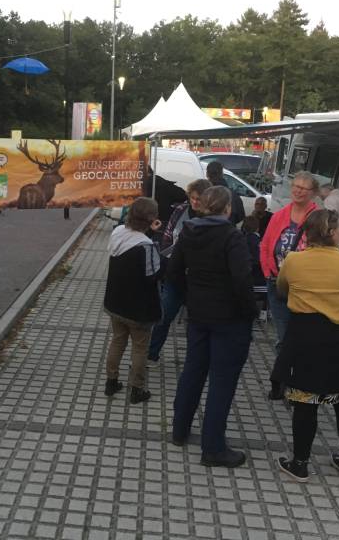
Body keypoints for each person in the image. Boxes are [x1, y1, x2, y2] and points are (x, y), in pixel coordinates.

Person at [271, 210, 339, 482]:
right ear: (333, 233)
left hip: (307, 339)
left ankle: (300, 463)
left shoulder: (293, 260)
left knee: (305, 403)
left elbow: (282, 289)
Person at [170, 186, 258, 467]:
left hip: (198, 315)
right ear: (228, 209)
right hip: (230, 320)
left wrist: (190, 297)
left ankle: (180, 430)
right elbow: (242, 280)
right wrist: (251, 312)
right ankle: (213, 448)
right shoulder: (232, 236)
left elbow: (173, 272)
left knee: (193, 372)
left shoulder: (189, 231)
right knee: (222, 382)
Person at [260, 170, 319, 399]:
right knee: (283, 337)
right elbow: (266, 245)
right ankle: (282, 381)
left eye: (303, 188)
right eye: (295, 186)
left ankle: (299, 384)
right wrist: (268, 271)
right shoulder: (280, 215)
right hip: (278, 283)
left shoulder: (319, 218)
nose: (298, 191)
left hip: (305, 288)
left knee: (303, 338)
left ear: (313, 193)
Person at [103, 197, 162, 404]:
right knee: (139, 348)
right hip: (138, 310)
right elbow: (153, 275)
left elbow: (131, 243)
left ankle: (111, 382)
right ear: (151, 218)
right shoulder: (147, 246)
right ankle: (137, 390)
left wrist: (149, 232)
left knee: (118, 340)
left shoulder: (118, 233)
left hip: (115, 303)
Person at [148, 178, 212, 364]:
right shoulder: (180, 210)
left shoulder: (211, 217)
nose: (195, 202)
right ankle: (151, 355)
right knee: (164, 316)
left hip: (199, 280)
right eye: (193, 198)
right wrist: (170, 260)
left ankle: (196, 360)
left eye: (199, 199)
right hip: (175, 275)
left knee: (196, 323)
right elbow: (167, 237)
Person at [206, 161, 244, 225]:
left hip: (207, 228)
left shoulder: (204, 193)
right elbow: (240, 215)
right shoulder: (232, 194)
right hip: (229, 228)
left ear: (207, 174)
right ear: (222, 174)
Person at [242, 215, 266, 286]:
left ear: (244, 228)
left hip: (246, 275)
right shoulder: (260, 242)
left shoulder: (241, 241)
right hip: (259, 275)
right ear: (258, 228)